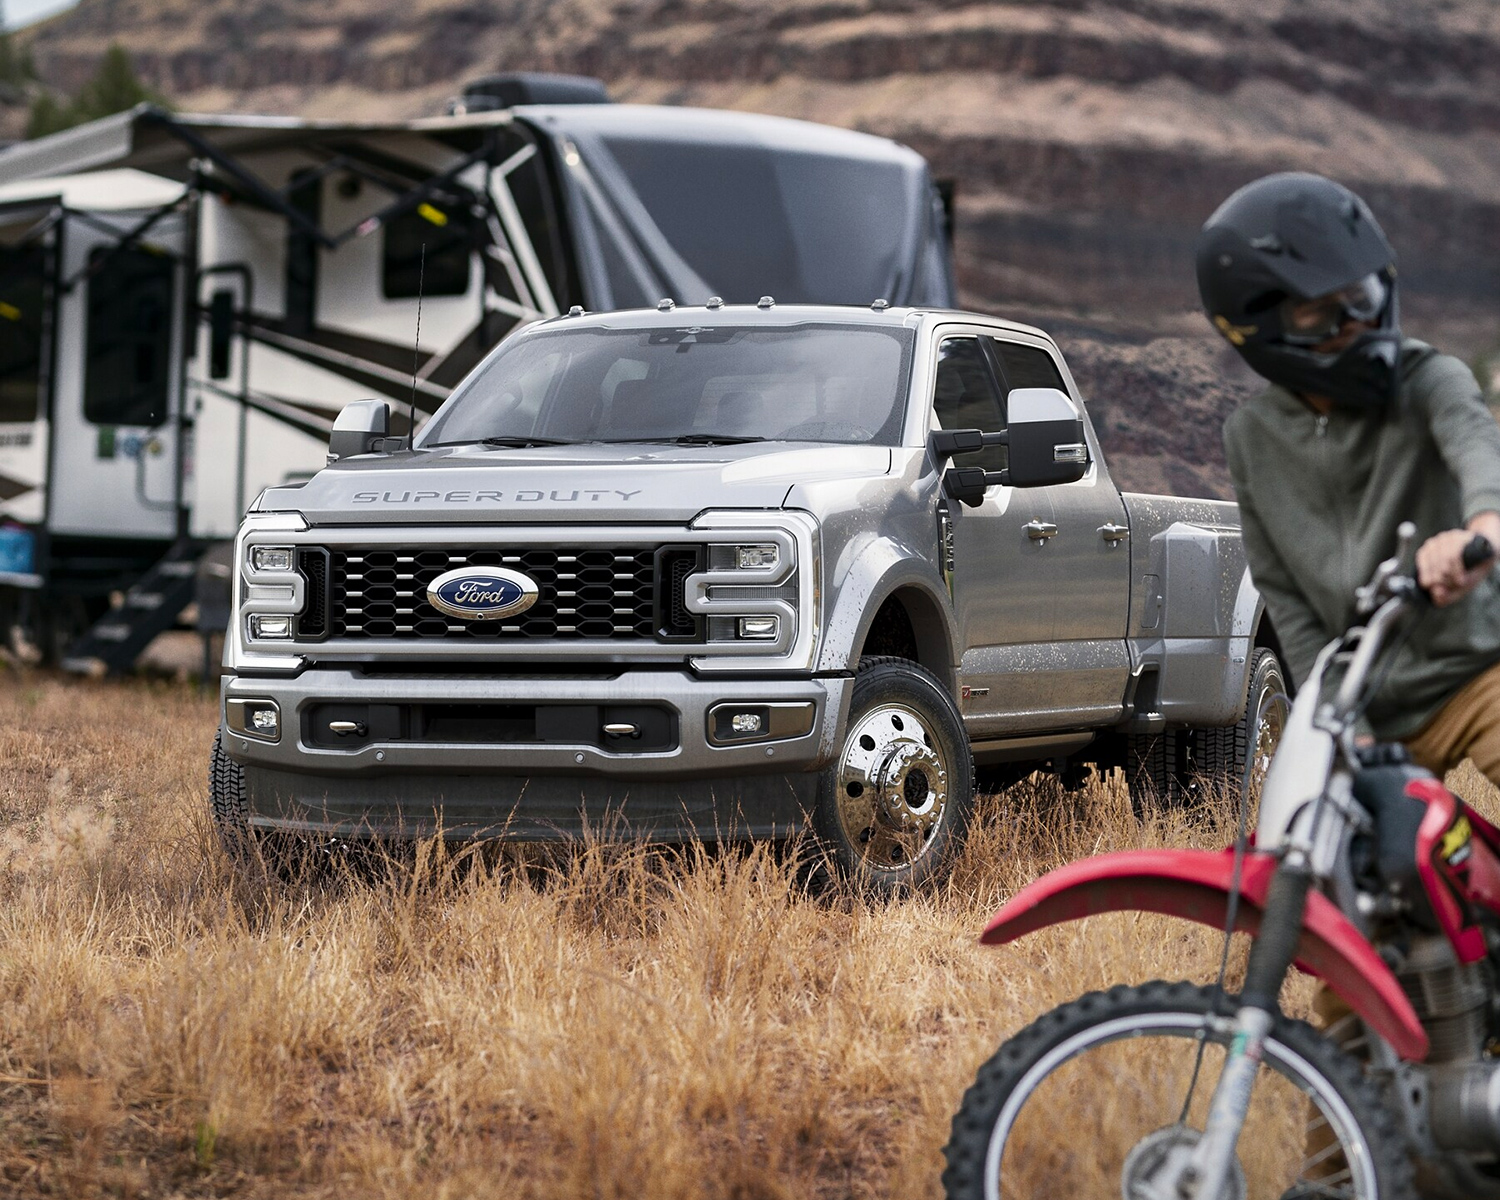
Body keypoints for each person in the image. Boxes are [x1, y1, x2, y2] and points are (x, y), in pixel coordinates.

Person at [1196, 171, 1500, 784]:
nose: (1357, 321)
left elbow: (1477, 447)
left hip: (1478, 674)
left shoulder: (1429, 377)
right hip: (1367, 711)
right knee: (1312, 858)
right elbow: (1286, 599)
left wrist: (1484, 532)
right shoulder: (1252, 440)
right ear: (1261, 327)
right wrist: (1331, 713)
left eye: (1361, 297)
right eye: (1322, 314)